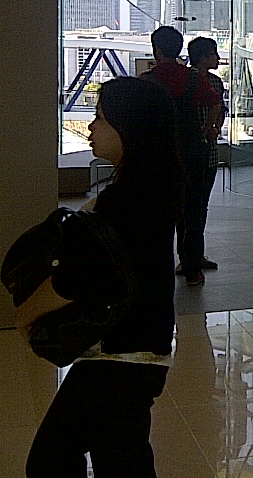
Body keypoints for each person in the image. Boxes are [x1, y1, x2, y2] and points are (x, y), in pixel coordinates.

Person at [21, 77, 179, 476]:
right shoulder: (154, 186)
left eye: (101, 118)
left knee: (67, 459)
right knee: (75, 457)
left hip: (121, 356)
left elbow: (78, 278)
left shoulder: (127, 202)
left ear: (131, 128)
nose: (90, 127)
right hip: (135, 349)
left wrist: (26, 315)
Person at [141, 26, 221, 287]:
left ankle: (159, 269)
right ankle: (193, 270)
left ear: (157, 50)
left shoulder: (147, 80)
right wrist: (208, 128)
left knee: (160, 214)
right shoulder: (193, 78)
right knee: (194, 212)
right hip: (192, 152)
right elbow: (215, 102)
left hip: (159, 155)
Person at [184, 37, 226, 273]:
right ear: (203, 57)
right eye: (214, 54)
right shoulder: (209, 83)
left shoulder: (211, 82)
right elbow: (220, 110)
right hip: (204, 153)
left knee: (194, 208)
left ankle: (191, 255)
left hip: (197, 154)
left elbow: (221, 111)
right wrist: (212, 129)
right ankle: (192, 256)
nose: (218, 58)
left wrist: (215, 127)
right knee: (196, 207)